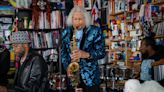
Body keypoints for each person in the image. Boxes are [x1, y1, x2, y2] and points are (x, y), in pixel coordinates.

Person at [61, 6, 105, 92]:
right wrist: (67, 67)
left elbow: (101, 52)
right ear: (71, 19)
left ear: (85, 19)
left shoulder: (95, 31)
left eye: (80, 19)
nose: (77, 22)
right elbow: (63, 53)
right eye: (75, 19)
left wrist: (85, 54)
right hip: (73, 76)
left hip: (90, 77)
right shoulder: (66, 32)